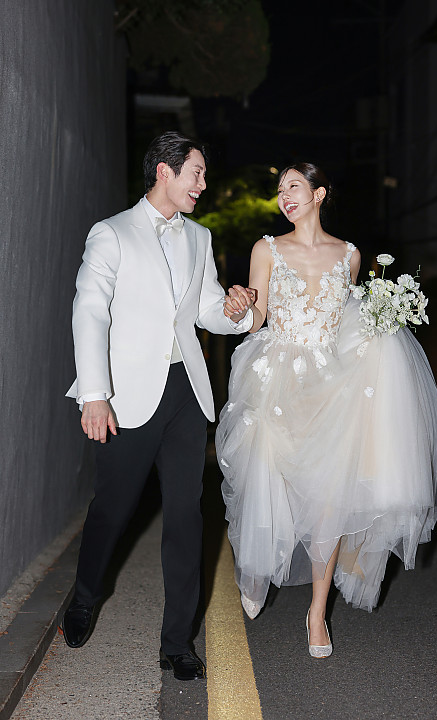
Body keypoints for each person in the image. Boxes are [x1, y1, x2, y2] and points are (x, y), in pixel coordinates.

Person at [217, 162, 437, 658]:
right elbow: (257, 317)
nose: (284, 196)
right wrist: (241, 309)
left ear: (318, 194)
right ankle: (256, 570)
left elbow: (349, 321)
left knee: (328, 497)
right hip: (275, 376)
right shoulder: (266, 249)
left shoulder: (350, 255)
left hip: (331, 384)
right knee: (266, 476)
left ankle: (317, 612)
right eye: (280, 189)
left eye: (293, 186)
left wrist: (383, 327)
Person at [63, 131, 254, 681]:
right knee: (112, 508)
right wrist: (95, 394)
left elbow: (206, 309)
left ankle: (177, 643)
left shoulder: (200, 236)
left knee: (187, 516)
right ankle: (84, 595)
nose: (202, 184)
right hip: (125, 395)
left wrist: (235, 310)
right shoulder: (111, 233)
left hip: (185, 391)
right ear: (164, 172)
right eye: (196, 172)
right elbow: (90, 312)